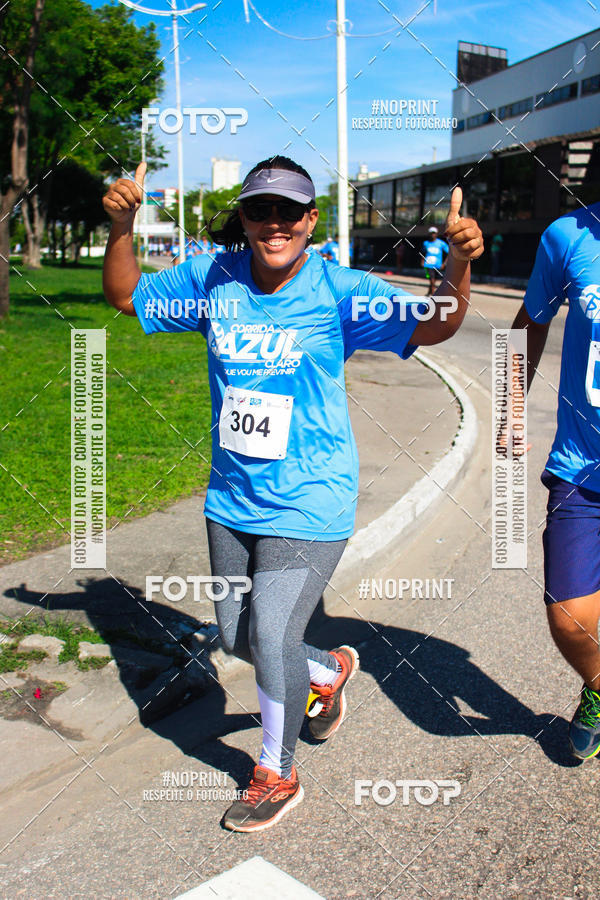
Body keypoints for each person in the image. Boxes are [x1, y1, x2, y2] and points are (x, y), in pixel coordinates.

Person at [102, 155, 483, 831]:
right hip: (232, 498)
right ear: (243, 219)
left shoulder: (339, 290)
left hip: (312, 499)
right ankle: (327, 672)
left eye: (289, 211)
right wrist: (124, 228)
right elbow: (127, 295)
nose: (273, 223)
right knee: (238, 637)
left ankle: (275, 772)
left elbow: (438, 323)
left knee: (272, 630)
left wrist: (458, 265)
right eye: (259, 210)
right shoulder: (213, 279)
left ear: (311, 220)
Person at [510, 202, 600, 759]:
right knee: (569, 617)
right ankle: (598, 685)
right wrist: (510, 408)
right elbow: (530, 324)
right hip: (581, 466)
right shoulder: (567, 235)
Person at [421, 225, 449, 296]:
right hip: (428, 265)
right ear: (429, 234)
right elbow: (423, 253)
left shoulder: (441, 243)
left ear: (436, 234)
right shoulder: (426, 243)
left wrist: (444, 264)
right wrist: (422, 261)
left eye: (434, 233)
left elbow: (449, 253)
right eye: (431, 233)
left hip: (438, 265)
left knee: (434, 280)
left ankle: (429, 292)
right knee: (431, 279)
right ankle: (433, 295)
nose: (432, 234)